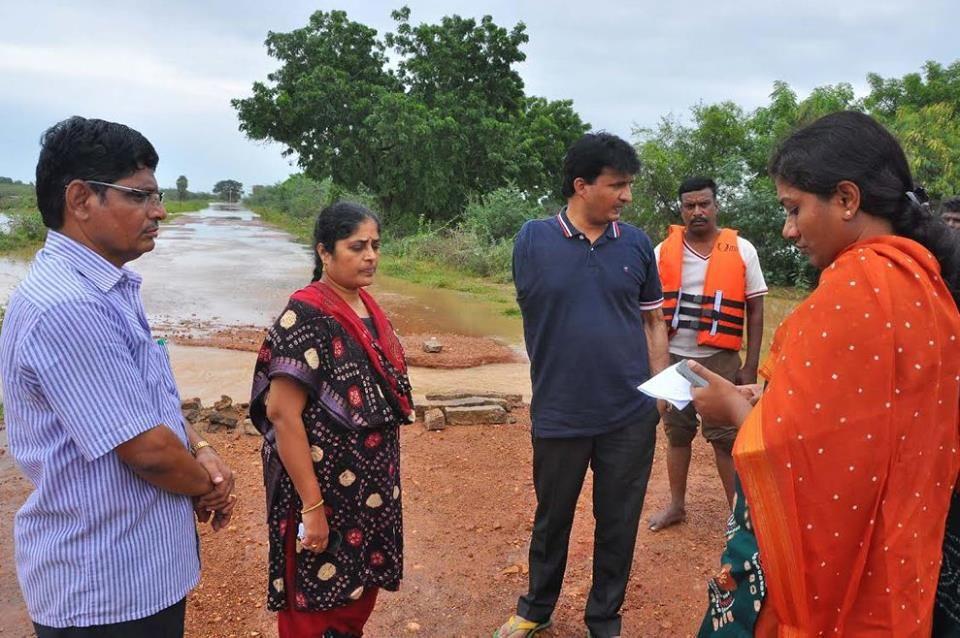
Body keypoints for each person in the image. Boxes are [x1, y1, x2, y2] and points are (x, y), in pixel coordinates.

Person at [690, 111, 960, 636]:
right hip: (906, 552)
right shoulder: (928, 283)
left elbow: (804, 448)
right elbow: (873, 419)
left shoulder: (856, 290)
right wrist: (770, 395)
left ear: (846, 199)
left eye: (793, 209)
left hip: (841, 576)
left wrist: (735, 409)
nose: (789, 230)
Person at [0, 116, 236, 637]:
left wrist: (200, 448)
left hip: (134, 574)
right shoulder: (68, 306)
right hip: (104, 590)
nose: (160, 212)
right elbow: (149, 452)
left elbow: (152, 401)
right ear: (81, 199)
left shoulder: (109, 289)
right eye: (141, 196)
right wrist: (212, 487)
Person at [494, 132, 668, 638]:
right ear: (581, 185)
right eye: (617, 185)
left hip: (629, 415)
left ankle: (604, 617)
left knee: (619, 523)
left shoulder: (635, 244)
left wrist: (656, 395)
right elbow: (540, 312)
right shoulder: (532, 239)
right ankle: (536, 607)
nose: (627, 197)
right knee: (553, 519)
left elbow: (653, 322)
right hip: (560, 411)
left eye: (628, 186)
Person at [249, 201, 413, 638]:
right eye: (357, 246)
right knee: (313, 608)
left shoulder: (369, 310)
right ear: (325, 252)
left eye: (376, 245)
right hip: (321, 491)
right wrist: (314, 507)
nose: (371, 256)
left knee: (355, 600)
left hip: (367, 491)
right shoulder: (304, 315)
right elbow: (282, 415)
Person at [647, 176, 767, 532]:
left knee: (725, 438)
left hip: (721, 360)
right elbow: (650, 315)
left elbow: (756, 310)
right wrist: (655, 366)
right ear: (681, 210)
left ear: (716, 206)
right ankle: (676, 506)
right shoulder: (661, 251)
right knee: (677, 433)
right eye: (690, 206)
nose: (697, 212)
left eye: (704, 204)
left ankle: (739, 516)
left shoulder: (743, 250)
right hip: (676, 359)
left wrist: (750, 365)